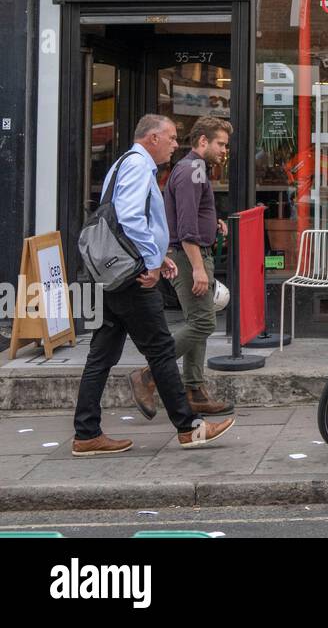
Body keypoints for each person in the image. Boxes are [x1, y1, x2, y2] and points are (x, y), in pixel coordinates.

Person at [72, 114, 235, 456]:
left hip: (112, 273)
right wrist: (150, 263)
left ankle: (86, 433)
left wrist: (159, 256)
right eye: (171, 137)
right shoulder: (137, 166)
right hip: (131, 278)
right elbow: (130, 218)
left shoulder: (122, 165)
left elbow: (121, 219)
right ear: (151, 138)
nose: (176, 144)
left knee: (101, 355)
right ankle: (189, 428)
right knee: (160, 349)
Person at [158, 114, 234, 416]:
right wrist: (199, 268)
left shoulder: (195, 169)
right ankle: (151, 375)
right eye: (221, 144)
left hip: (192, 251)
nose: (224, 150)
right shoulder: (192, 170)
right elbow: (186, 225)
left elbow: (189, 213)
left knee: (198, 322)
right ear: (203, 141)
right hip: (189, 256)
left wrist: (211, 223)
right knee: (203, 323)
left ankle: (195, 390)